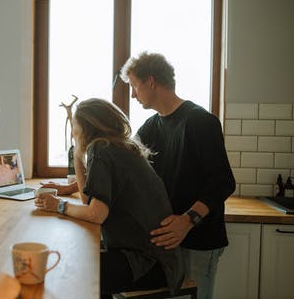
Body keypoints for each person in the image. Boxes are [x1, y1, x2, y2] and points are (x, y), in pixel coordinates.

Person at [35, 98, 184, 299]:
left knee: (66, 271)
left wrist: (58, 206)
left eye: (75, 126)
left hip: (147, 264)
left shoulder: (101, 149)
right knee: (80, 263)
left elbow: (96, 214)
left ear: (87, 126)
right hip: (159, 261)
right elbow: (89, 201)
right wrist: (78, 155)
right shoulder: (117, 146)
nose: (73, 132)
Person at [119, 52, 236, 299]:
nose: (132, 94)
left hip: (199, 238)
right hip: (169, 240)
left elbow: (223, 181)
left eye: (133, 86)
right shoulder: (151, 126)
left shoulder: (200, 121)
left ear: (151, 81)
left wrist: (187, 220)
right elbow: (124, 164)